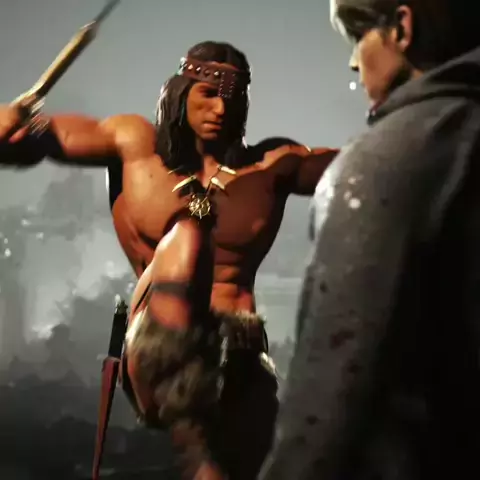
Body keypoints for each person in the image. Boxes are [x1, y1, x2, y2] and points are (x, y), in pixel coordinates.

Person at [0, 41, 338, 478]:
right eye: (208, 94)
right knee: (189, 235)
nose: (221, 108)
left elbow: (369, 164)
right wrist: (10, 127)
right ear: (180, 91)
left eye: (233, 98)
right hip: (157, 350)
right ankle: (196, 440)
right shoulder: (133, 144)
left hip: (238, 357)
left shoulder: (274, 164)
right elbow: (33, 142)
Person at [260, 1, 480, 479]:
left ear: (401, 28)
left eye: (359, 36)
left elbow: (329, 398)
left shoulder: (382, 164)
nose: (353, 62)